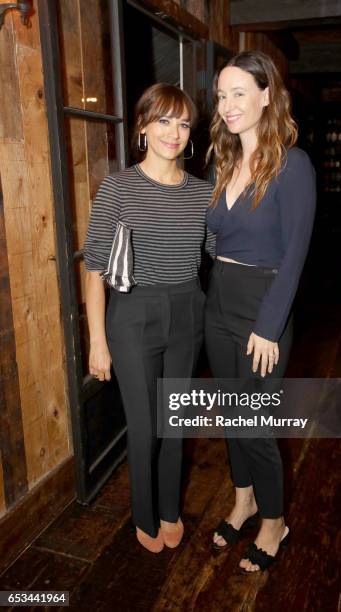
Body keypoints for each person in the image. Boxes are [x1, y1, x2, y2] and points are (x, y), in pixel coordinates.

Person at [84, 83, 214, 553]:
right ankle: (144, 513)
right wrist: (97, 340)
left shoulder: (204, 193)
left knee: (174, 421)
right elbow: (95, 266)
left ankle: (169, 509)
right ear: (142, 126)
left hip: (187, 309)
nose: (173, 133)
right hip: (133, 314)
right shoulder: (118, 187)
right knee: (143, 427)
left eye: (182, 124)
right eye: (163, 121)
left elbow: (221, 252)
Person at [205, 50, 316, 573]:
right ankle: (244, 499)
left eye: (238, 93)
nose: (227, 105)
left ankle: (275, 521)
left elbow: (295, 254)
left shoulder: (292, 164)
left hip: (263, 307)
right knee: (230, 416)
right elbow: (215, 238)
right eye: (222, 95)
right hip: (220, 300)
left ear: (267, 94)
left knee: (255, 424)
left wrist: (270, 327)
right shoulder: (222, 162)